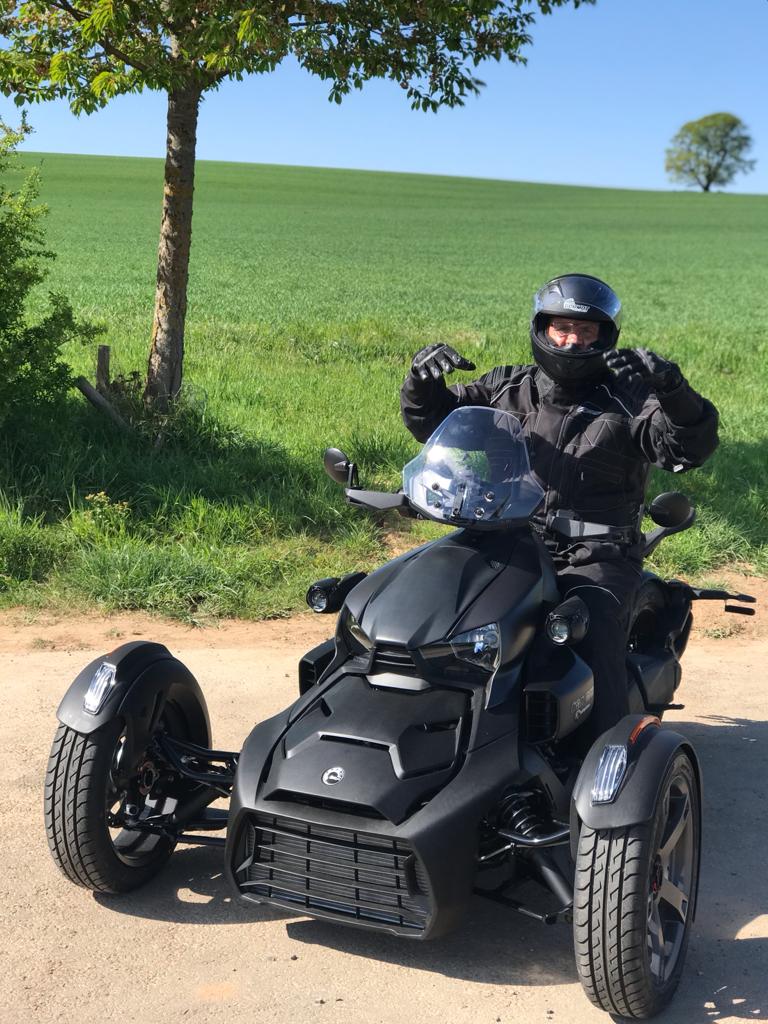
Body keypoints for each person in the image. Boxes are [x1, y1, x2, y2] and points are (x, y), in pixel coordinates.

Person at [400, 273, 719, 739]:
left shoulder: (633, 399)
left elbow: (687, 448)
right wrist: (421, 380)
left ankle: (612, 755)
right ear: (542, 329)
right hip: (506, 539)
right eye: (562, 328)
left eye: (585, 331)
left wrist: (674, 389)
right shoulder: (508, 386)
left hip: (596, 556)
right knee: (433, 606)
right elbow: (436, 423)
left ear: (605, 337)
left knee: (591, 631)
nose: (572, 340)